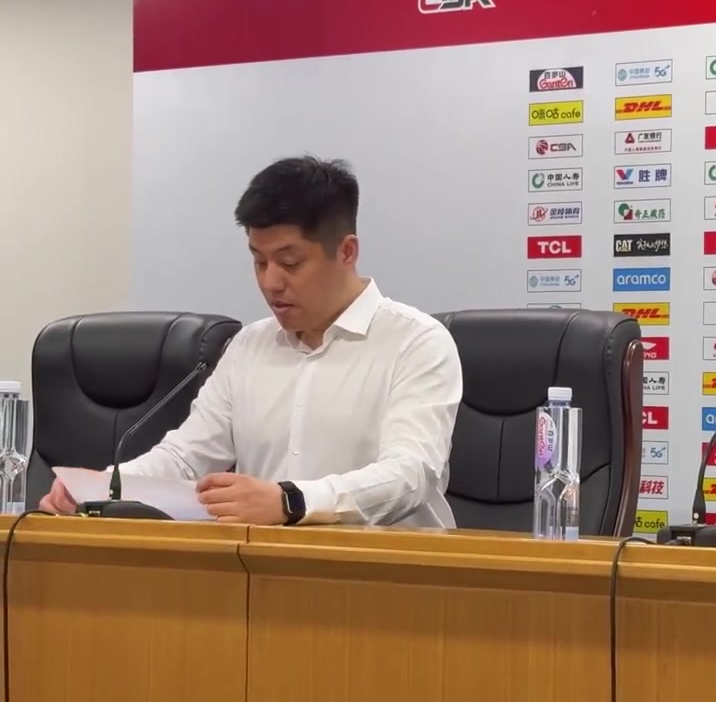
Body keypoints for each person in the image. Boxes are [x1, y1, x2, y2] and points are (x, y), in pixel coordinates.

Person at [39, 155, 463, 527]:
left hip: (390, 578)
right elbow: (186, 458)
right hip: (260, 573)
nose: (270, 282)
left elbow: (409, 474)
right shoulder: (248, 347)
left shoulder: (416, 343)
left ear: (346, 252)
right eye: (259, 261)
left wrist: (290, 501)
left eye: (289, 262)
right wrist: (104, 488)